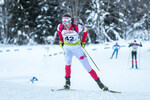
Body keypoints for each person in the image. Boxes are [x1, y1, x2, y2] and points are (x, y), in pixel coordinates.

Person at [57, 13, 108, 91]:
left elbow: (86, 30)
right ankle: (67, 83)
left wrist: (83, 42)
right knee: (67, 64)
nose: (65, 24)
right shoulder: (60, 27)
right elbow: (59, 31)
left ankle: (100, 84)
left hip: (77, 49)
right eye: (63, 22)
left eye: (66, 22)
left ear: (70, 21)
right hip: (67, 49)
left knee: (87, 67)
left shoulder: (77, 27)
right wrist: (61, 40)